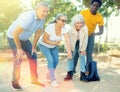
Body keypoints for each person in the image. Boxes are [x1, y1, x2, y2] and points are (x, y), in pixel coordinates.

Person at [7, 2, 49, 90]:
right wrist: (19, 48)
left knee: (33, 55)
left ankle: (34, 80)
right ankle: (15, 82)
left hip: (25, 39)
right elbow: (15, 33)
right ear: (36, 10)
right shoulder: (28, 18)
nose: (45, 14)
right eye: (43, 11)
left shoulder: (42, 17)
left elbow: (38, 32)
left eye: (47, 12)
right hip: (13, 36)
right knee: (18, 58)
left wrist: (33, 47)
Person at [38, 13, 72, 87]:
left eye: (65, 21)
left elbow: (67, 41)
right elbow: (44, 39)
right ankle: (53, 79)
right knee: (50, 60)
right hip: (44, 44)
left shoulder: (64, 29)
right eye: (63, 20)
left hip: (53, 46)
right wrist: (53, 43)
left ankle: (48, 75)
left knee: (56, 61)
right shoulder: (50, 27)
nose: (64, 22)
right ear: (57, 20)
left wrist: (69, 52)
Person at [73, 0, 104, 75]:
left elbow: (101, 31)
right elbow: (76, 23)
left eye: (97, 6)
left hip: (90, 36)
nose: (94, 7)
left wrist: (95, 33)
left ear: (99, 7)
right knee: (77, 53)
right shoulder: (84, 12)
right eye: (93, 5)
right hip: (81, 35)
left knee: (89, 54)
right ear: (91, 5)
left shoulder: (99, 17)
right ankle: (72, 70)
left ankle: (87, 71)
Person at [64, 14, 88, 82]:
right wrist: (69, 51)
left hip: (81, 42)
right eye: (77, 23)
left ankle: (82, 74)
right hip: (71, 43)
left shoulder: (85, 28)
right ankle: (69, 73)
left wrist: (83, 49)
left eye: (81, 23)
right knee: (70, 57)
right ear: (74, 23)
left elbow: (85, 39)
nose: (79, 25)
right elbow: (67, 41)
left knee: (82, 57)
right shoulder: (70, 29)